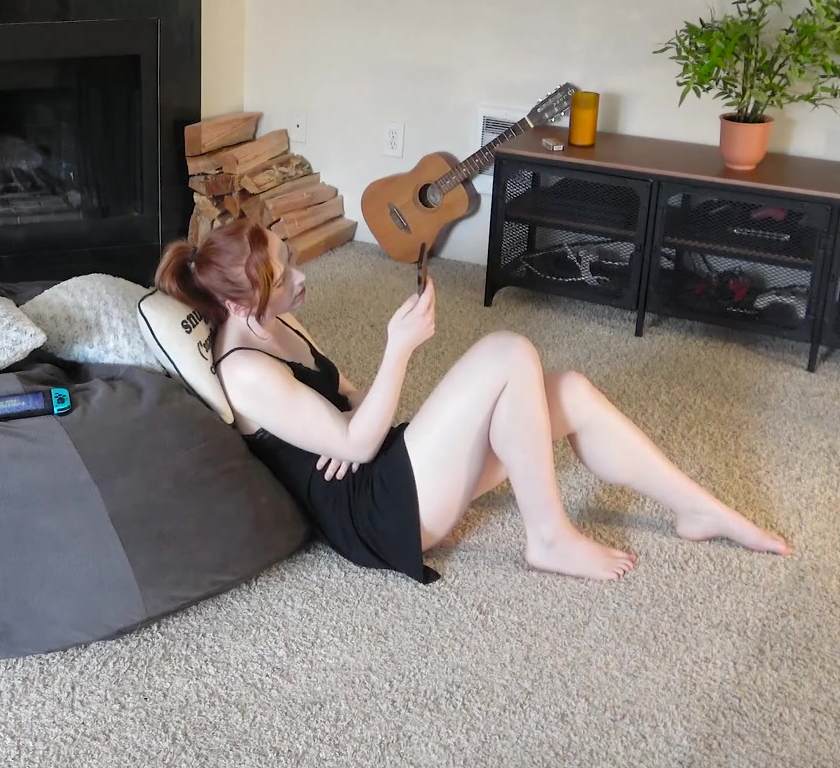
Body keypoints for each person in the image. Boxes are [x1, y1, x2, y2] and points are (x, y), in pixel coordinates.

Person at [155, 219, 790, 583]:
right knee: (508, 351)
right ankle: (549, 537)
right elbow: (357, 442)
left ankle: (699, 510)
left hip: (379, 460)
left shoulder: (275, 322)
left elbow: (348, 396)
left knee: (569, 391)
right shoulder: (245, 370)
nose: (300, 278)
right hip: (377, 512)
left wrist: (347, 426)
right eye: (281, 277)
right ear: (237, 303)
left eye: (290, 260)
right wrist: (397, 351)